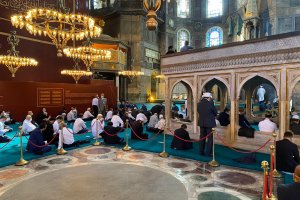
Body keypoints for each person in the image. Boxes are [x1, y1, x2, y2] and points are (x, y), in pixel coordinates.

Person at [198, 92, 217, 156]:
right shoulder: (210, 103)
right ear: (209, 98)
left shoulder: (199, 104)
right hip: (209, 124)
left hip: (202, 123)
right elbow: (215, 112)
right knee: (210, 139)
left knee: (202, 138)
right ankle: (208, 153)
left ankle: (201, 152)